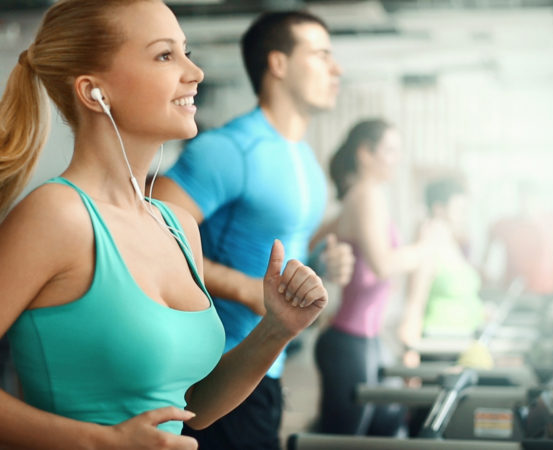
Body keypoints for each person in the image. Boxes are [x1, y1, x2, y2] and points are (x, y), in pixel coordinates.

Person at [0, 1, 328, 448]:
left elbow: (194, 406)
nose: (195, 73)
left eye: (186, 52)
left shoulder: (176, 226)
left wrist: (276, 329)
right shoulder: (56, 216)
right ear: (94, 91)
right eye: (164, 55)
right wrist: (103, 442)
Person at [152, 10, 353, 450]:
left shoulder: (305, 161)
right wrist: (244, 287)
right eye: (321, 56)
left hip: (269, 368)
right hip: (216, 375)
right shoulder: (229, 150)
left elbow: (276, 252)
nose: (335, 69)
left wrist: (319, 266)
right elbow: (144, 236)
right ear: (278, 64)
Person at [312, 119, 431, 435]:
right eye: (390, 150)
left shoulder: (359, 196)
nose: (397, 159)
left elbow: (315, 240)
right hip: (350, 340)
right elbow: (381, 265)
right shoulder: (366, 195)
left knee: (381, 430)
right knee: (343, 440)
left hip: (364, 338)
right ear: (365, 153)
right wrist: (424, 249)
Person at [399, 177, 484, 355]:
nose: (464, 215)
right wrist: (410, 353)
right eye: (459, 209)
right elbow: (414, 303)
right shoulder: (428, 245)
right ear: (439, 209)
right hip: (438, 346)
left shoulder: (451, 241)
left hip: (462, 342)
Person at [480, 180, 553, 296]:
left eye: (530, 199)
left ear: (538, 199)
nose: (527, 203)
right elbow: (491, 232)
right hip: (515, 293)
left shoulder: (552, 220)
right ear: (518, 199)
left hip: (547, 291)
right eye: (523, 199)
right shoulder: (507, 224)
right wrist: (484, 265)